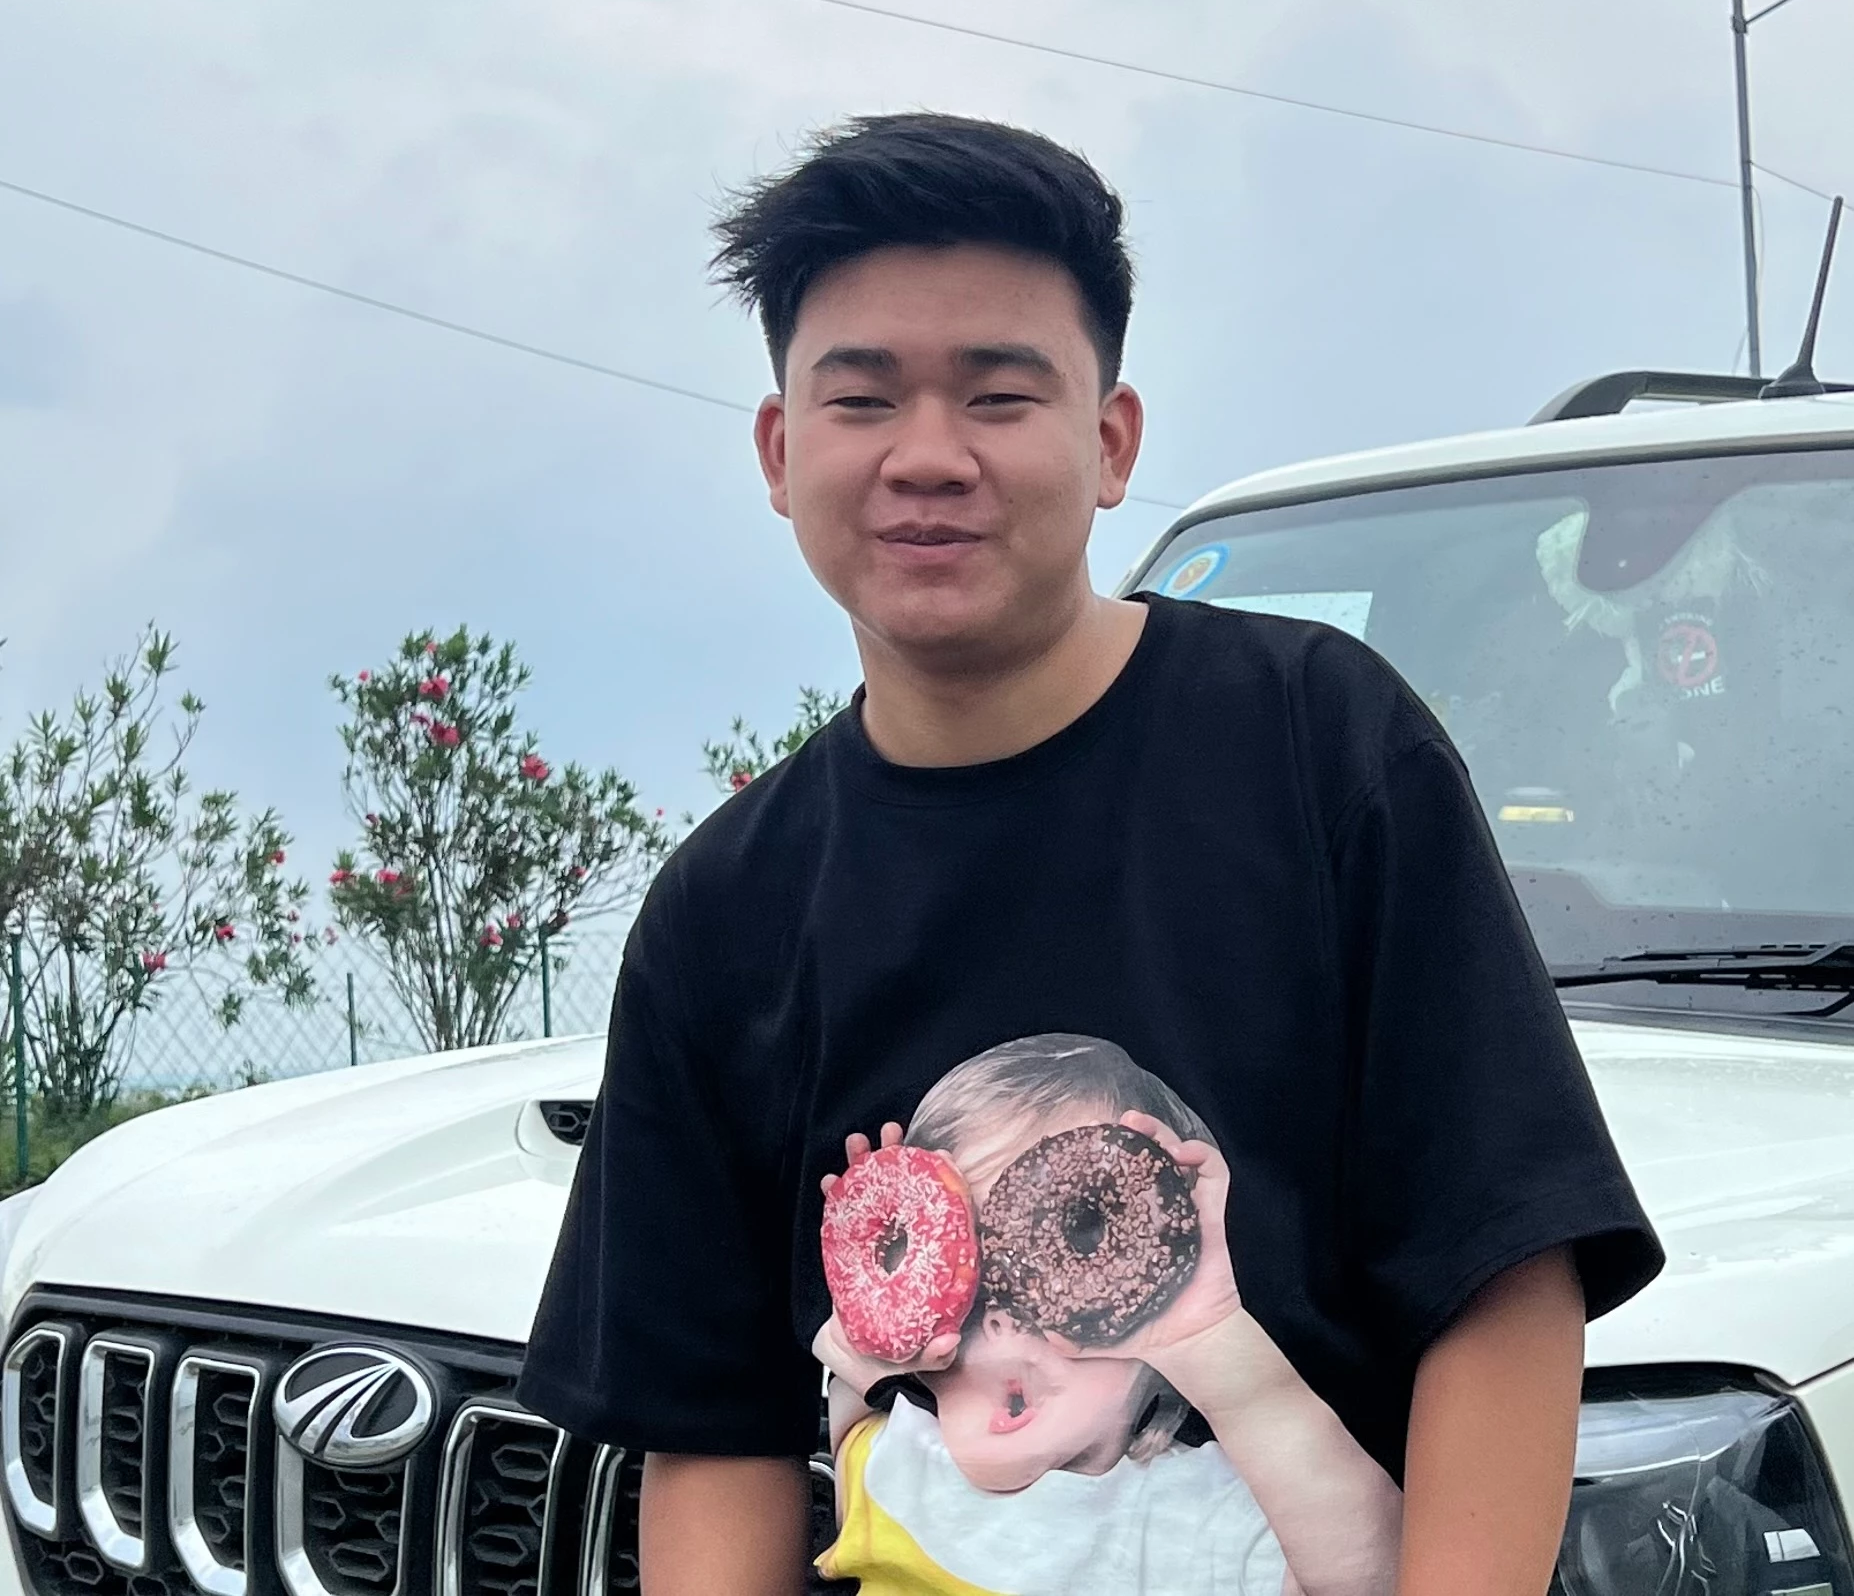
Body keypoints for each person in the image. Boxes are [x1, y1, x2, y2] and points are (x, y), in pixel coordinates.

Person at [515, 112, 1663, 1595]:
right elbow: (714, 1429)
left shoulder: (1316, 745)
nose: (929, 457)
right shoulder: (725, 907)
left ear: (1109, 442)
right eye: (862, 399)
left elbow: (1504, 1270)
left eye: (999, 395)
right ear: (781, 452)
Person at [811, 1033, 1401, 1596]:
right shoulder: (896, 1456)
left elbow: (1377, 1580)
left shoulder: (1201, 1514)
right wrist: (875, 1289)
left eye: (1066, 1261)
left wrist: (1212, 1342)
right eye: (960, 1283)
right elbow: (850, 1371)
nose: (998, 1320)